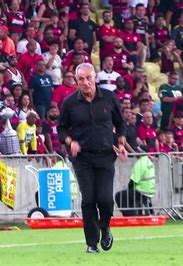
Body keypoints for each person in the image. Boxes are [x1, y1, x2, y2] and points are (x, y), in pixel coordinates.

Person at [58, 63, 127, 253]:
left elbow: (121, 124)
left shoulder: (109, 98)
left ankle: (105, 228)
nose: (86, 82)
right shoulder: (70, 102)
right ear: (77, 81)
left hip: (106, 156)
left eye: (89, 78)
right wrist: (70, 141)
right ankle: (91, 243)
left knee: (105, 199)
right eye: (81, 79)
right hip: (82, 158)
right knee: (88, 200)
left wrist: (121, 144)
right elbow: (61, 128)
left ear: (95, 78)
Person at [115, 145, 155, 216]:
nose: (135, 152)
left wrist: (129, 189)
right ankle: (139, 213)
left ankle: (130, 215)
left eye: (137, 151)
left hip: (141, 191)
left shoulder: (140, 163)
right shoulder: (149, 161)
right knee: (129, 194)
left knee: (119, 196)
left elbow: (132, 182)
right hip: (149, 190)